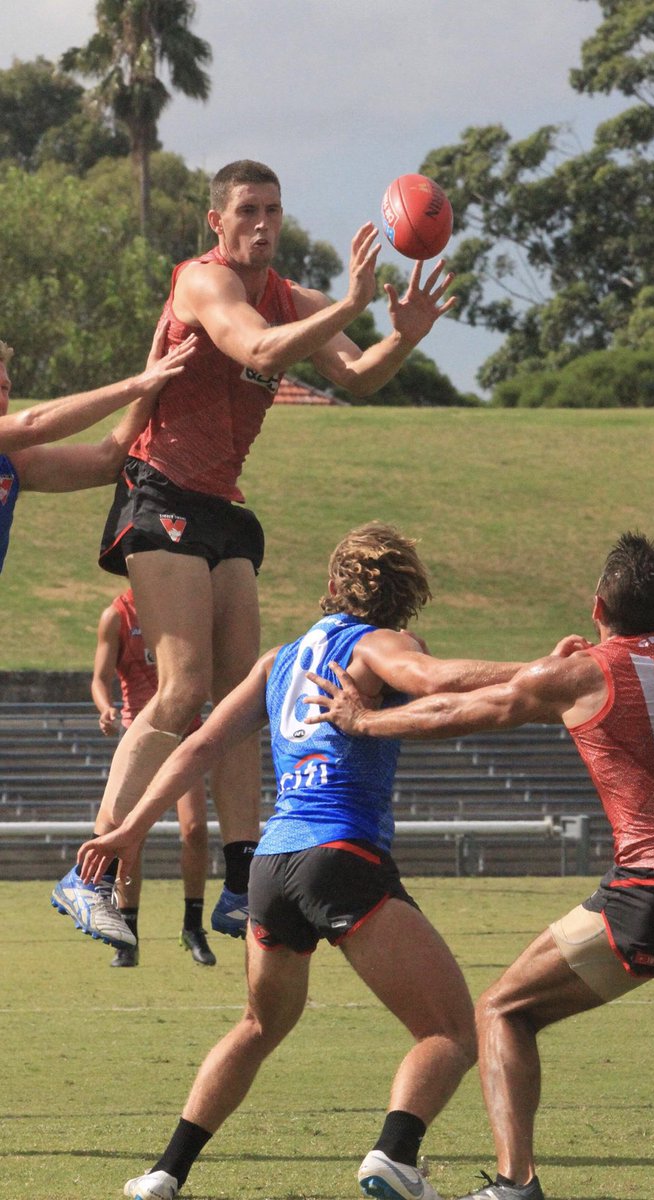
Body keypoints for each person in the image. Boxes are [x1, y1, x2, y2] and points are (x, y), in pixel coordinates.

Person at [305, 532, 654, 1200]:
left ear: (598, 603)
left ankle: (516, 1184)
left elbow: (462, 708)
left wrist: (361, 721)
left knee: (503, 1010)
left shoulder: (585, 672)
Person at [57, 158, 458, 950]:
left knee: (246, 699)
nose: (262, 225)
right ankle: (91, 870)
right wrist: (348, 300)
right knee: (183, 690)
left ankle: (242, 883)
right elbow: (263, 351)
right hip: (160, 493)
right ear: (217, 222)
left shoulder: (289, 295)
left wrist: (400, 338)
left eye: (273, 210)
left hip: (223, 508)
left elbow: (357, 374)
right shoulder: (203, 284)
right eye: (246, 211)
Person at [76, 522, 523, 1200]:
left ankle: (164, 1173)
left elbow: (198, 747)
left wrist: (131, 828)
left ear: (339, 584)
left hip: (272, 867)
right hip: (338, 855)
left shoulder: (281, 659)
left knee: (260, 1025)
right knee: (450, 1030)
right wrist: (549, 672)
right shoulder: (380, 646)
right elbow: (434, 679)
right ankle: (395, 1157)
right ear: (406, 590)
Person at [89, 587, 216, 968]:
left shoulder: (183, 607)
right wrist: (104, 708)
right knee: (133, 835)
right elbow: (99, 678)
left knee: (194, 829)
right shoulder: (117, 616)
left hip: (186, 733)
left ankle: (192, 926)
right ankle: (127, 935)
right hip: (141, 737)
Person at [0, 327, 196, 573]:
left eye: (4, 388)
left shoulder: (13, 463)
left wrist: (150, 387)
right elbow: (32, 425)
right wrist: (137, 384)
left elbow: (107, 462)